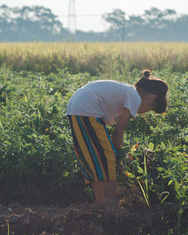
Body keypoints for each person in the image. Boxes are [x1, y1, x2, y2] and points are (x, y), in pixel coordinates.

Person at [66, 69, 168, 212]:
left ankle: (100, 202)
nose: (143, 112)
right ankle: (112, 205)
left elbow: (112, 133)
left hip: (76, 108)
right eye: (149, 110)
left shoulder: (127, 91)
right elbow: (118, 131)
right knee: (109, 158)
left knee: (93, 157)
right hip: (87, 109)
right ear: (152, 98)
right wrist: (118, 154)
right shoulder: (135, 97)